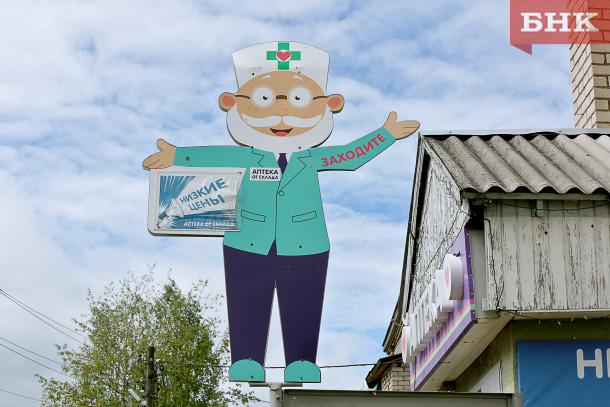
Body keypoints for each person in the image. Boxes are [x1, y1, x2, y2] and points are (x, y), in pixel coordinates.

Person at [143, 41, 419, 383]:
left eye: (298, 100)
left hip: (306, 242)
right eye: (264, 100)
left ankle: (302, 361)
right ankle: (246, 359)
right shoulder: (247, 156)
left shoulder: (311, 157)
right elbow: (214, 156)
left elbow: (351, 155)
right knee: (247, 300)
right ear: (232, 103)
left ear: (330, 105)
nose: (282, 113)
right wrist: (176, 156)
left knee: (303, 301)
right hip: (246, 240)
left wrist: (385, 135)